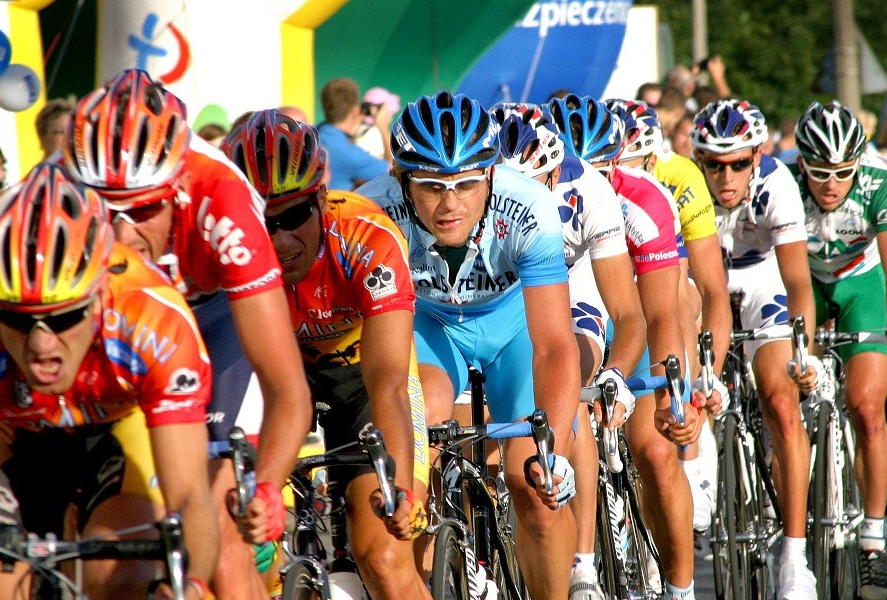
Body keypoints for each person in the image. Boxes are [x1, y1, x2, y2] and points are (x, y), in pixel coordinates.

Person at [0, 163, 218, 600]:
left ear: (99, 297)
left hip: (116, 433)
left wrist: (189, 587)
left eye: (63, 318)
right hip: (9, 438)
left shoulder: (153, 315)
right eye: (16, 319)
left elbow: (189, 496)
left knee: (124, 577)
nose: (41, 344)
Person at [63, 68, 312, 599]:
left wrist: (267, 488)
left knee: (223, 535)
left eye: (142, 207)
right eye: (105, 208)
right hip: (129, 327)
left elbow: (286, 385)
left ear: (175, 185)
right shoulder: (64, 193)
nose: (121, 232)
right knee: (99, 555)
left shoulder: (222, 199)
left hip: (215, 323)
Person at [357, 91, 581, 600]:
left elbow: (553, 346)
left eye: (466, 184)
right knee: (424, 430)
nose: (450, 203)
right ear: (401, 179)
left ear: (492, 176)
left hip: (513, 325)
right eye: (431, 187)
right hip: (428, 323)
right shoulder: (374, 212)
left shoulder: (530, 206)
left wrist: (555, 455)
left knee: (537, 489)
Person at [225, 109, 430, 600]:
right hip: (273, 381)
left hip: (362, 377)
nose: (279, 240)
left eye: (294, 216)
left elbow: (387, 383)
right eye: (261, 222)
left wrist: (400, 487)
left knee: (383, 556)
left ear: (320, 198)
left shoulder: (367, 237)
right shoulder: (225, 252)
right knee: (249, 556)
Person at [545, 95, 699, 600]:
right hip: (576, 307)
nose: (589, 182)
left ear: (618, 161)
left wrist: (672, 397)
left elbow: (661, 314)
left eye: (601, 169)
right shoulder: (543, 199)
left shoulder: (645, 201)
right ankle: (579, 563)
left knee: (654, 452)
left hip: (633, 313)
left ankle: (680, 588)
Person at [691, 98, 820, 599]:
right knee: (689, 377)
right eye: (714, 165)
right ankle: (699, 464)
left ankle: (794, 557)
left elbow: (798, 281)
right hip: (703, 286)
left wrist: (802, 350)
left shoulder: (777, 185)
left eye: (739, 163)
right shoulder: (685, 187)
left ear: (757, 156)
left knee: (781, 401)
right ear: (699, 160)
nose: (726, 177)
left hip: (763, 283)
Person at [794, 101, 887, 599]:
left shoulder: (879, 185)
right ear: (801, 162)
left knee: (866, 407)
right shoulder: (783, 185)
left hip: (861, 284)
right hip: (802, 282)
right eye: (820, 172)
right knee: (784, 389)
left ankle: (872, 541)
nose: (831, 184)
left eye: (843, 172)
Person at [607, 98, 733, 534]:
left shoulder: (679, 178)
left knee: (679, 304)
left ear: (652, 157)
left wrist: (707, 379)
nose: (625, 174)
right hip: (613, 275)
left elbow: (710, 287)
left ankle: (692, 445)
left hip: (668, 270)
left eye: (635, 163)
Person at [319, 77, 391, 190]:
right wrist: (382, 126)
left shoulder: (313, 133)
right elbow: (393, 171)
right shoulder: (350, 155)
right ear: (355, 110)